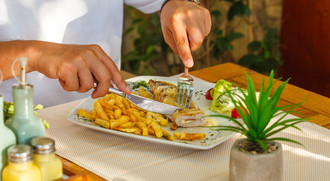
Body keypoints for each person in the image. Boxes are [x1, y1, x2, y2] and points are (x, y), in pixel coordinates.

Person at [0, 0, 211, 107]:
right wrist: (32, 55)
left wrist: (181, 4)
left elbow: (169, 2)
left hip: (100, 120)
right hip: (11, 131)